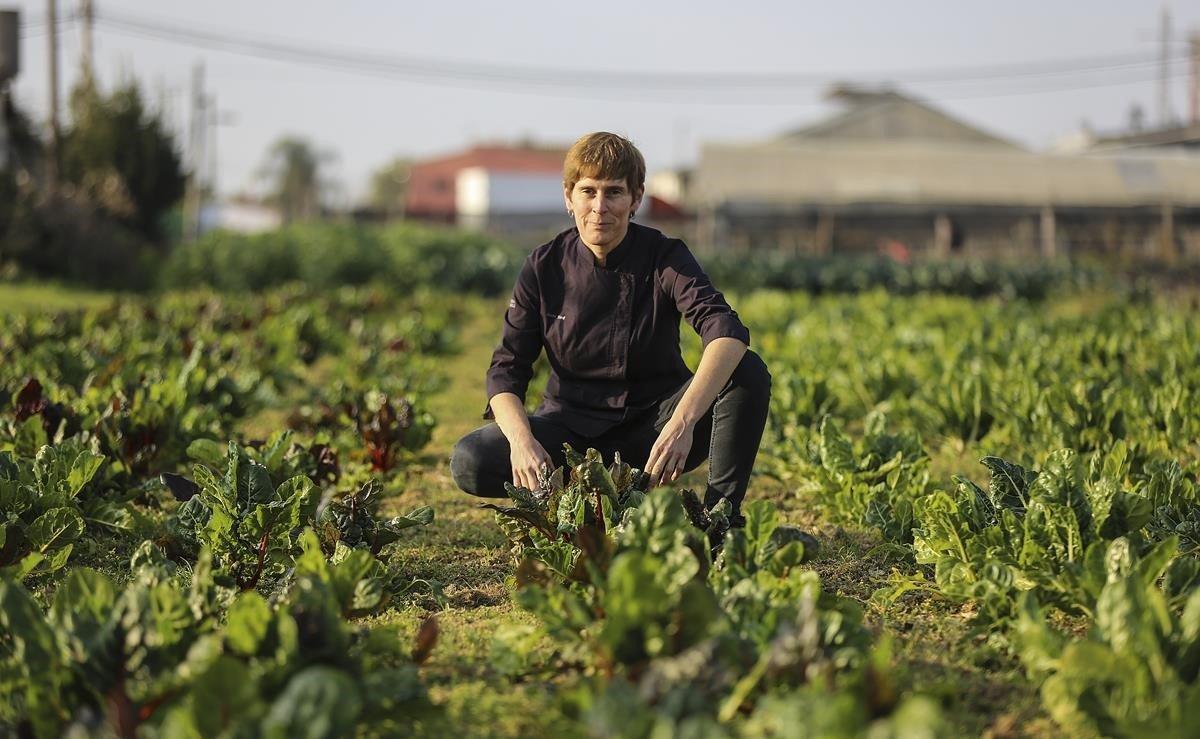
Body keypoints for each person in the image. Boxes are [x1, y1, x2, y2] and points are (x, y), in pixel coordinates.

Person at [450, 132, 770, 524]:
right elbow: (506, 370)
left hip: (653, 428)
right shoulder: (544, 266)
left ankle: (720, 519)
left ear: (636, 199)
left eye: (614, 192)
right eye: (588, 191)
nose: (600, 207)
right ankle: (585, 497)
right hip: (568, 430)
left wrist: (681, 425)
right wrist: (521, 442)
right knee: (471, 461)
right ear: (569, 197)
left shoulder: (665, 257)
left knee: (747, 371)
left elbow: (725, 332)